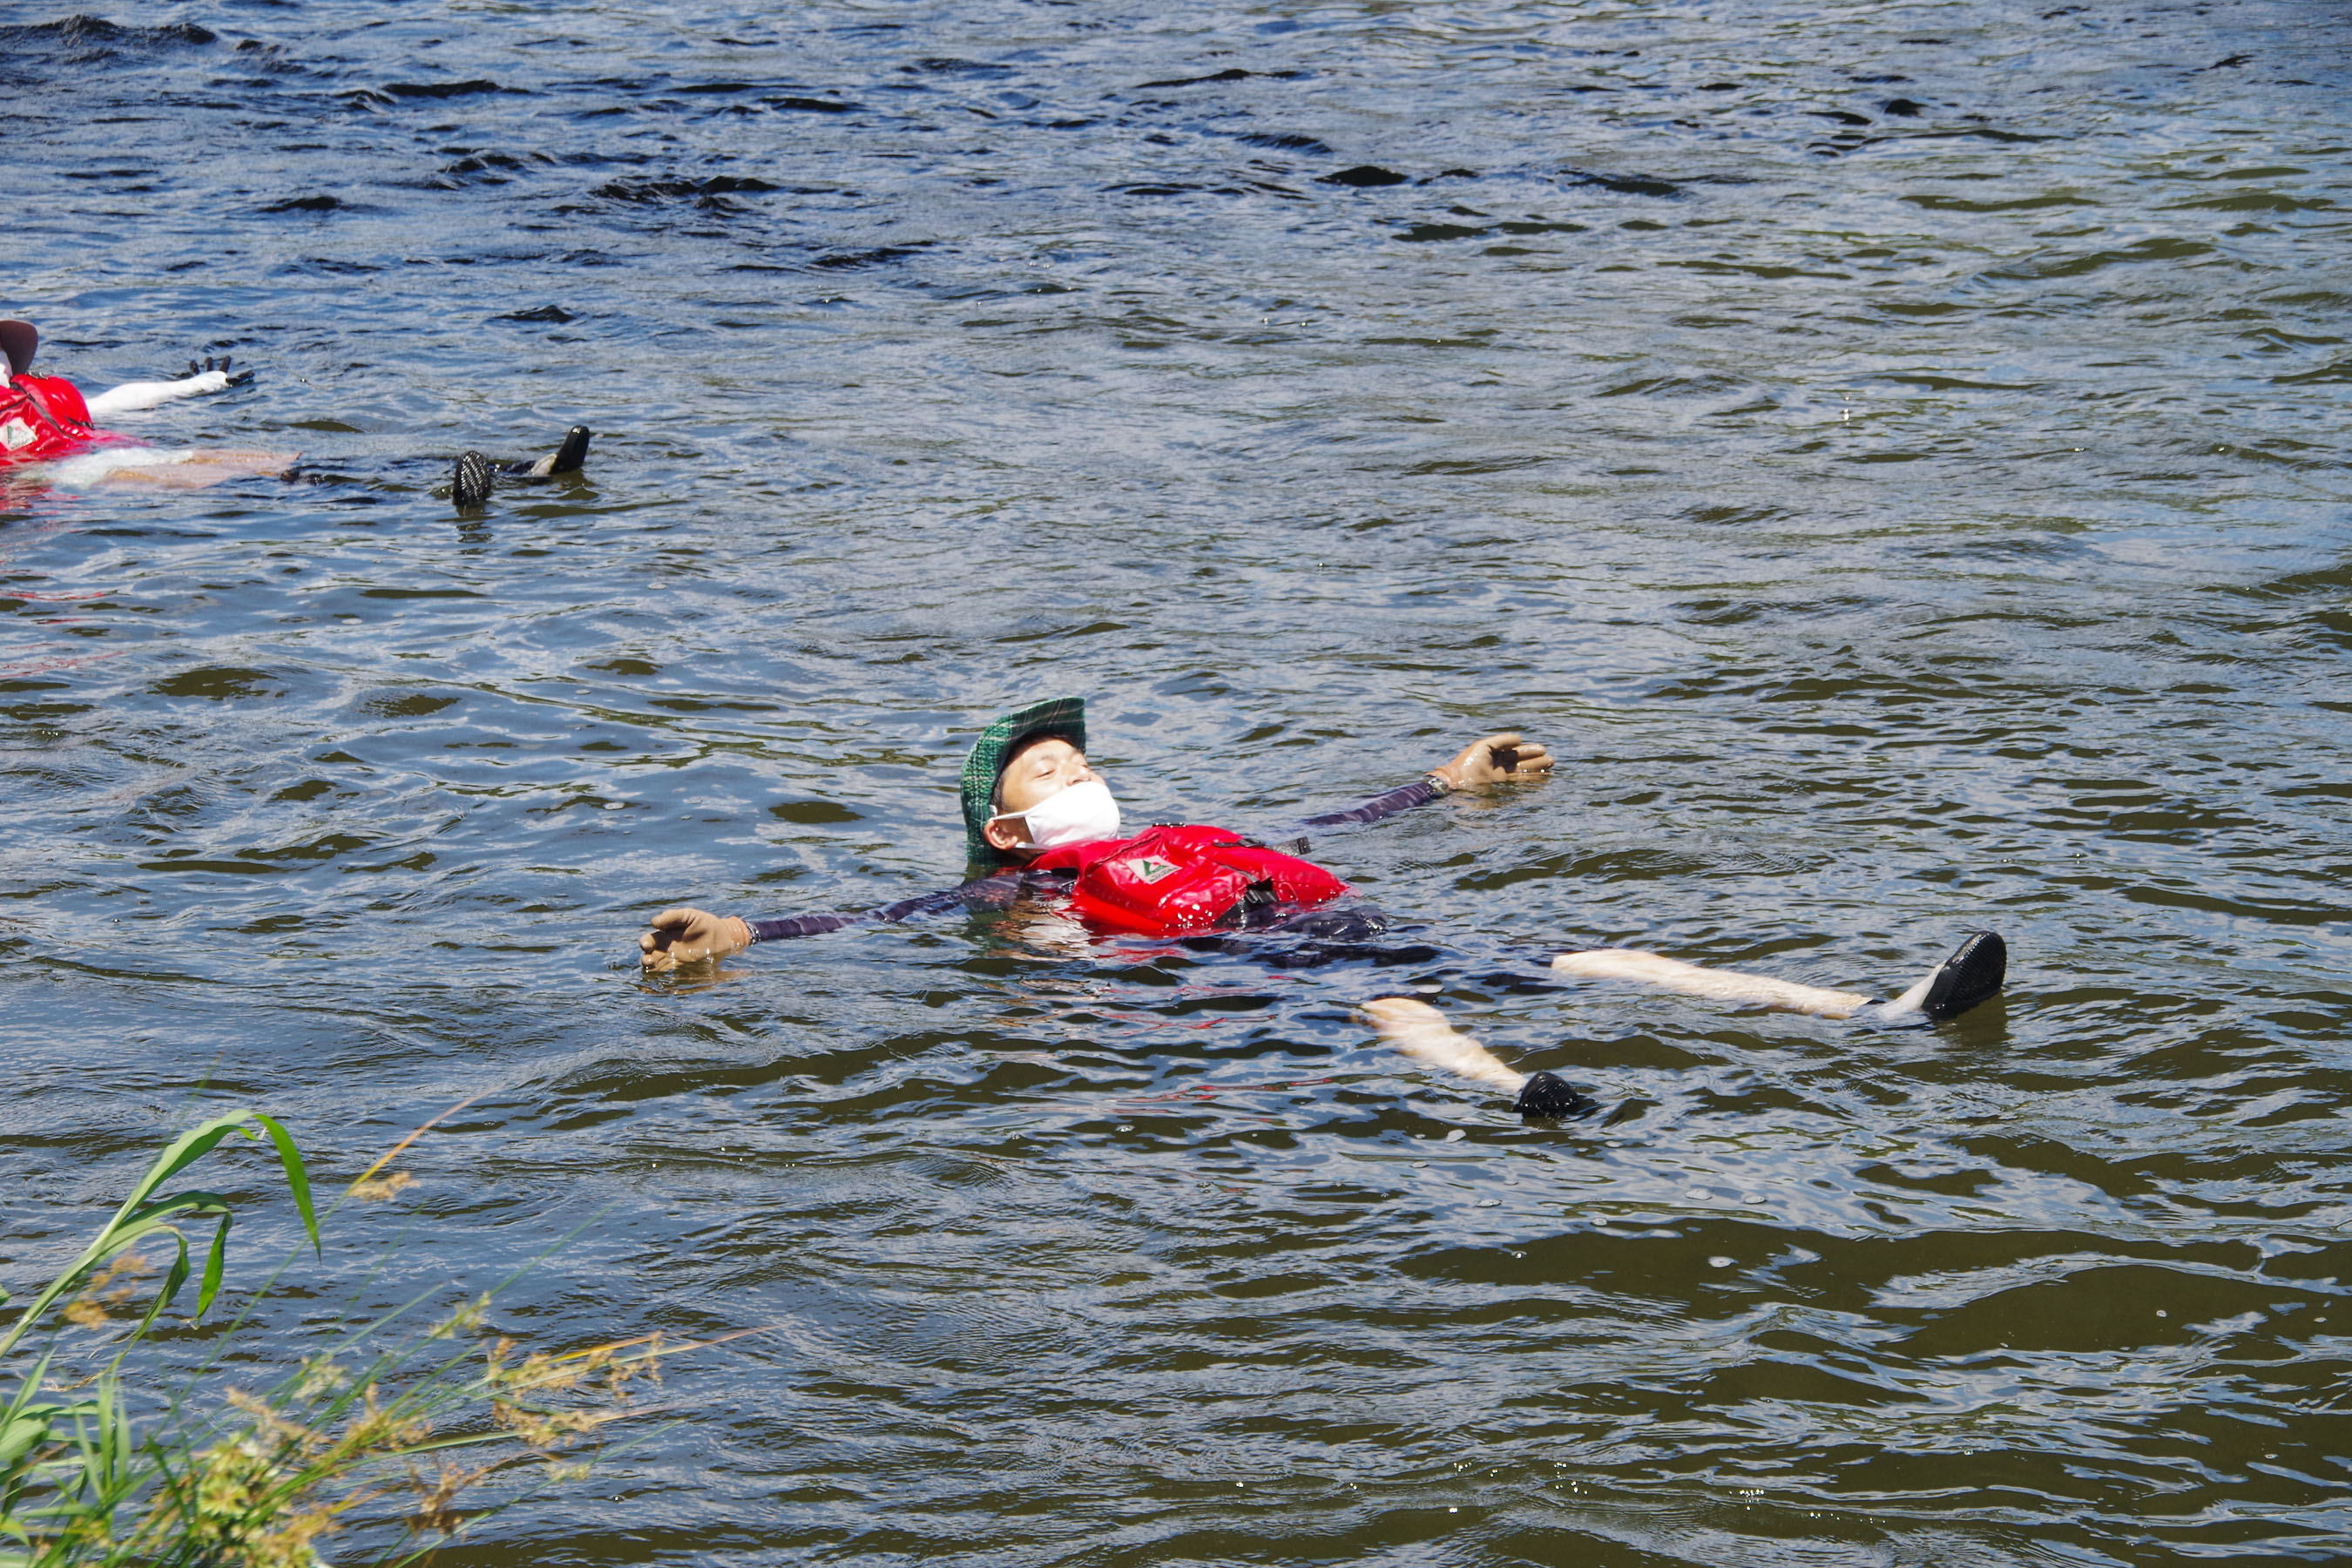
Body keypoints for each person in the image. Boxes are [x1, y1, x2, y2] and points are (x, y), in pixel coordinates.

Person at [638, 699, 2008, 1114]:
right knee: (1397, 1010)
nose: (1083, 778)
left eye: (1086, 760)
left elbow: (1339, 830)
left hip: (1326, 917)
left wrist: (1448, 778)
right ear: (1010, 822)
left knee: (1604, 951)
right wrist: (749, 933)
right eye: (1053, 771)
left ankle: (1873, 1011)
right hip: (1256, 973)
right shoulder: (1016, 882)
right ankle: (1521, 1094)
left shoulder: (1195, 830)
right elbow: (879, 921)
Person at [0, 317, 294, 489]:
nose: (3, 362)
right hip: (50, 474)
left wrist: (195, 385)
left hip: (97, 452)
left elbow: (116, 401)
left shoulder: (32, 399)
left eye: (3, 353)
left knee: (194, 457)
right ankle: (292, 490)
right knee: (187, 475)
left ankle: (300, 479)